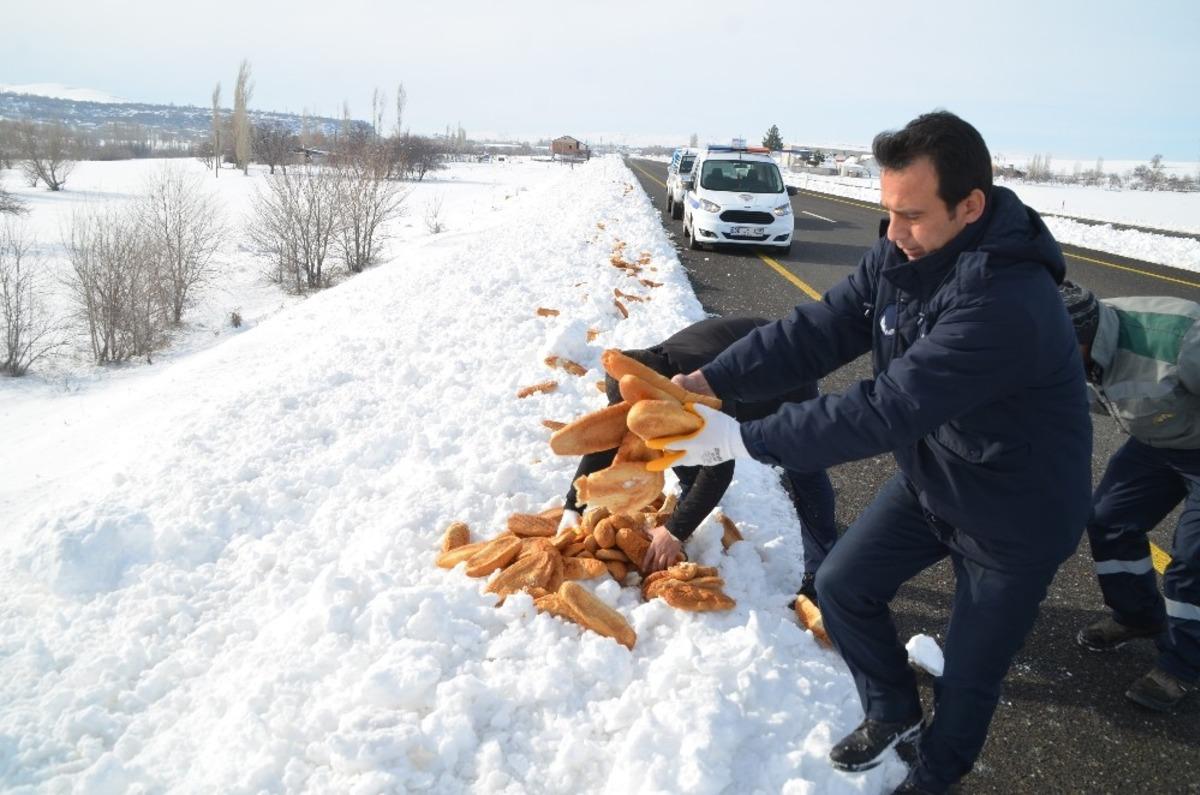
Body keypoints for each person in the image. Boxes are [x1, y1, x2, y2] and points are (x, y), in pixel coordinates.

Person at [653, 111, 1092, 794]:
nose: (892, 234)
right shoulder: (903, 254)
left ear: (970, 206)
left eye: (911, 215)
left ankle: (931, 777)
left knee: (970, 675)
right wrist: (713, 380)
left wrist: (742, 436)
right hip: (939, 472)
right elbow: (817, 330)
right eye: (888, 212)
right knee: (842, 585)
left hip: (1015, 514)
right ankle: (891, 708)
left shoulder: (1007, 302)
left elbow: (887, 408)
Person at [560, 315, 837, 586]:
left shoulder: (700, 389)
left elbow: (720, 467)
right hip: (735, 345)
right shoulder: (643, 384)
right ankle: (691, 497)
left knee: (804, 463)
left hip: (782, 366)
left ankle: (822, 568)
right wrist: (573, 505)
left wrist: (674, 532)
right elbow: (610, 440)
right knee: (678, 441)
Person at [1060, 281, 1199, 711]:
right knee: (1107, 519)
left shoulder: (1181, 342)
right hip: (1158, 439)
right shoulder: (1066, 345)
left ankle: (1184, 664)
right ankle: (1139, 616)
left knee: (1192, 557)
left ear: (1080, 339)